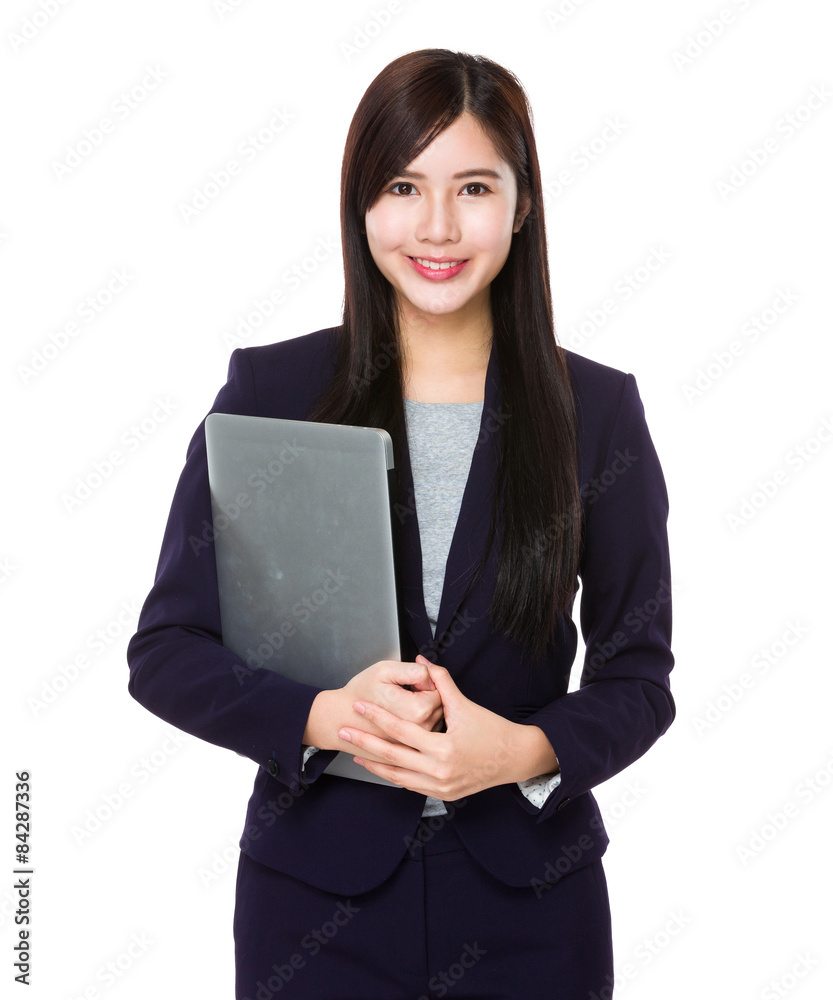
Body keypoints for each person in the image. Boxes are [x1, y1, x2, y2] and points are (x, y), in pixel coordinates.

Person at [127, 48, 675, 1000]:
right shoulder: (271, 392)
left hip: (532, 909)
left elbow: (639, 677)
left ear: (522, 203)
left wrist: (522, 752)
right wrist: (322, 718)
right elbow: (166, 651)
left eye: (473, 188)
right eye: (402, 186)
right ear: (361, 204)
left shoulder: (597, 410)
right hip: (313, 905)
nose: (436, 227)